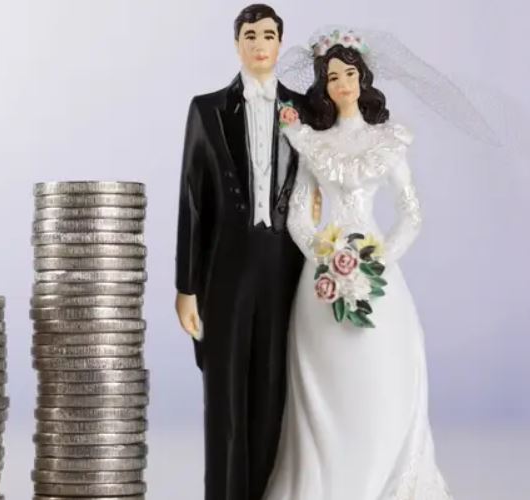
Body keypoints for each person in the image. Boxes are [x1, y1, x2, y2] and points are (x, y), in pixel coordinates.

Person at [260, 29, 454, 499]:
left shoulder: (387, 140)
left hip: (375, 274)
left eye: (349, 74)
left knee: (382, 374)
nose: (342, 83)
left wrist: (379, 259)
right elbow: (300, 217)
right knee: (327, 381)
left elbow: (411, 212)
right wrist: (326, 259)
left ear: (363, 79)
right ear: (323, 86)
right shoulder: (313, 142)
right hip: (323, 278)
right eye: (332, 76)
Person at [173, 4, 318, 499]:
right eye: (250, 34)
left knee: (273, 389)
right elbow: (192, 201)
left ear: (280, 44)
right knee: (224, 393)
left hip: (284, 265)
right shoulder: (207, 109)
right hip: (225, 267)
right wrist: (185, 287)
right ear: (237, 44)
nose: (260, 43)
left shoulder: (306, 111)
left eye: (269, 35)